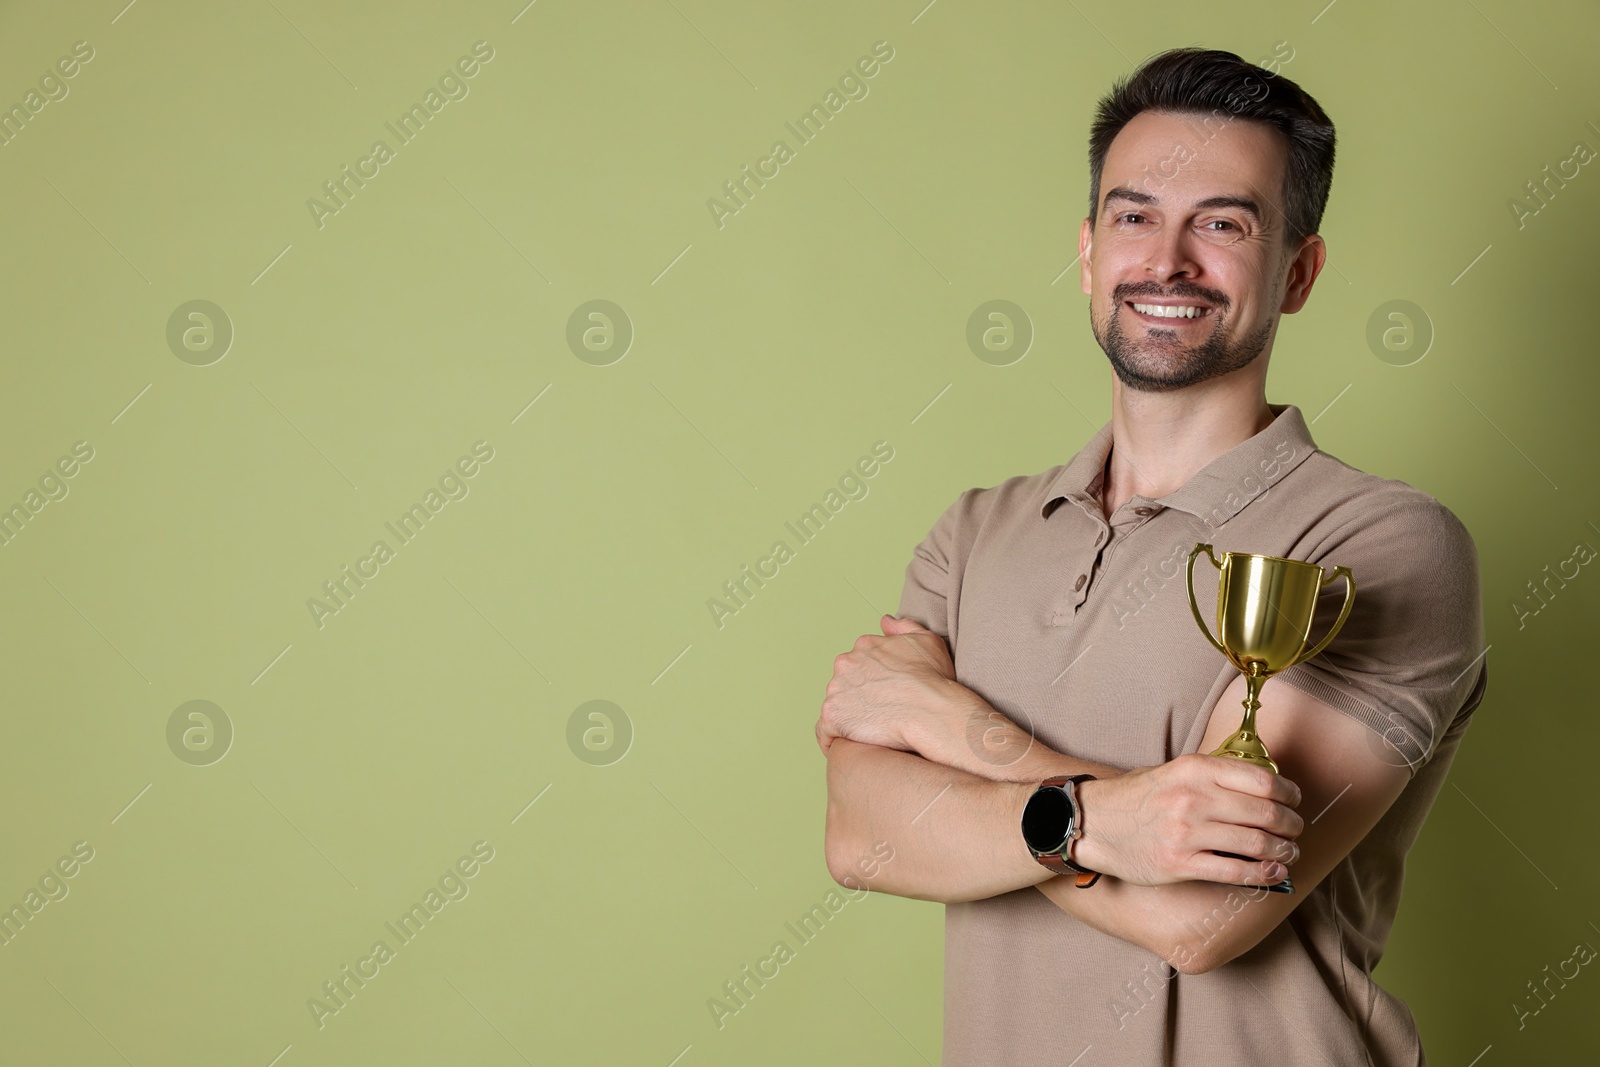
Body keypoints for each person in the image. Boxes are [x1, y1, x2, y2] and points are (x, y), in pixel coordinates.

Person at [817, 47, 1488, 1066]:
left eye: (1221, 223)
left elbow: (1205, 915)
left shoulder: (1381, 544)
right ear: (1088, 252)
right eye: (1134, 216)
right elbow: (862, 837)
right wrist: (1108, 823)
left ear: (1297, 272)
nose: (1165, 261)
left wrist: (945, 724)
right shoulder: (975, 534)